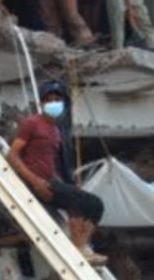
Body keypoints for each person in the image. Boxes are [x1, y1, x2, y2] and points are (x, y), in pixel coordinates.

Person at [8, 79, 106, 265]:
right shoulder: (31, 123)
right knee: (84, 202)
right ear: (42, 102)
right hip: (36, 183)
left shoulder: (55, 130)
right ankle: (80, 248)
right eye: (49, 99)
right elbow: (12, 155)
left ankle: (81, 245)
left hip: (51, 180)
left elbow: (50, 161)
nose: (53, 103)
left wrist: (61, 183)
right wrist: (35, 181)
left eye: (57, 99)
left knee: (95, 205)